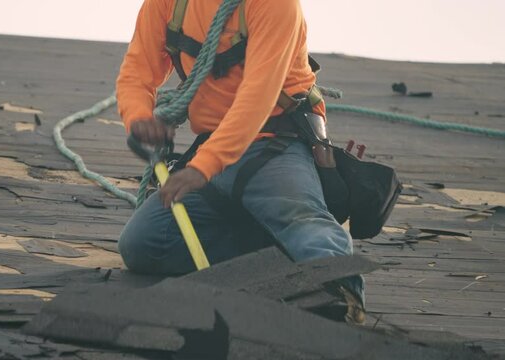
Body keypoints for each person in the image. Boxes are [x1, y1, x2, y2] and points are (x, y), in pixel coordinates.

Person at [115, 0, 365, 323]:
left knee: (302, 222)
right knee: (142, 243)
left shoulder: (276, 5)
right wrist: (138, 118)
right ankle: (275, 254)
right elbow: (137, 72)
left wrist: (202, 167)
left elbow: (256, 100)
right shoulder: (169, 3)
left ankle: (340, 297)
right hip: (212, 146)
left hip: (275, 143)